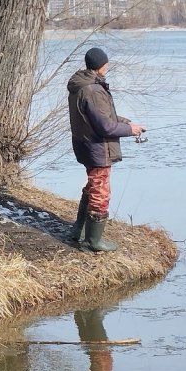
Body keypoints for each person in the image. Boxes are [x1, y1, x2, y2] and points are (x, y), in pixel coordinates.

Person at [66, 47, 145, 252]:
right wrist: (129, 130)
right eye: (107, 64)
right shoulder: (92, 90)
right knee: (101, 191)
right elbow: (105, 127)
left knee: (93, 185)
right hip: (97, 148)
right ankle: (93, 241)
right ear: (102, 66)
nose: (108, 67)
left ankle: (79, 231)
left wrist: (127, 123)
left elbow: (102, 117)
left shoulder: (82, 85)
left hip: (86, 145)